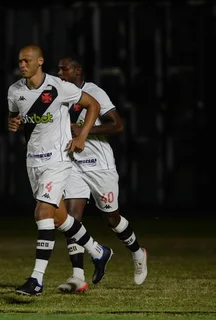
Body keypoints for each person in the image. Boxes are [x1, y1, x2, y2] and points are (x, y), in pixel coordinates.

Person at [7, 44, 114, 296]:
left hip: (58, 160)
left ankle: (36, 280)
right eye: (19, 61)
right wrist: (13, 122)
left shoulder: (58, 87)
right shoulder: (14, 91)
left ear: (40, 61)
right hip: (34, 161)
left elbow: (94, 106)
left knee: (42, 212)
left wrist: (82, 137)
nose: (22, 65)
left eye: (26, 61)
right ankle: (99, 252)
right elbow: (15, 116)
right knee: (58, 218)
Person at [55, 56, 148, 293]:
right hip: (73, 163)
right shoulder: (57, 93)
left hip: (99, 165)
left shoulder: (94, 91)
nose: (60, 72)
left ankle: (138, 252)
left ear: (78, 71)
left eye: (64, 69)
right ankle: (77, 276)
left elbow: (117, 125)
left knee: (112, 219)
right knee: (72, 219)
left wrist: (86, 131)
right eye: (58, 69)